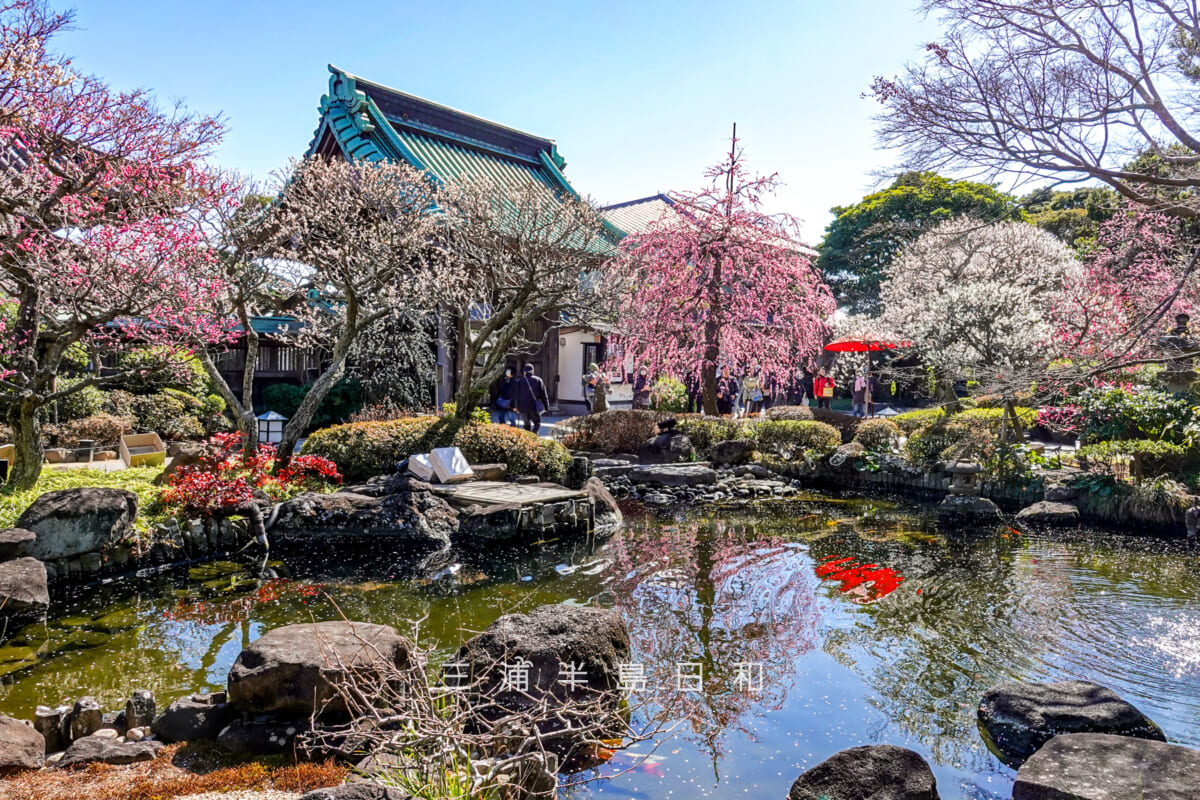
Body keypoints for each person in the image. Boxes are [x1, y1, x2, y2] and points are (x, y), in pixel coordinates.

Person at [516, 364, 551, 434]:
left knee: (526, 424)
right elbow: (543, 394)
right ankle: (534, 434)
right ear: (532, 371)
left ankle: (528, 438)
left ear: (524, 372)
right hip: (534, 407)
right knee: (537, 423)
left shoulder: (520, 381)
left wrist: (517, 407)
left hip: (523, 407)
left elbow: (516, 395)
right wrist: (546, 406)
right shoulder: (538, 380)